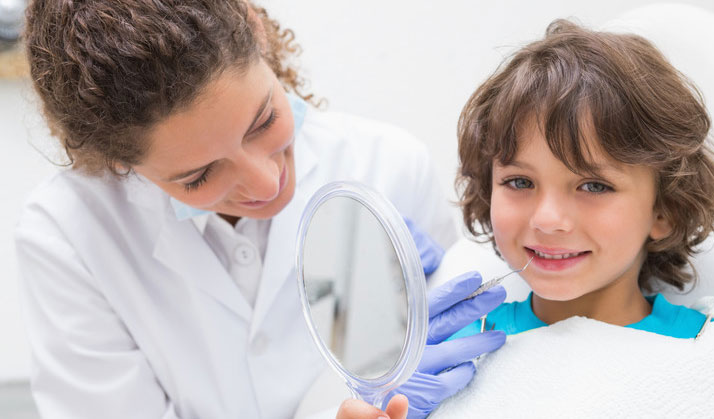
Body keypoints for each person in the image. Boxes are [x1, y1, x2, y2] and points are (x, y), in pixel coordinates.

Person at [17, 1, 506, 418]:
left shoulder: (387, 166)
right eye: (198, 176)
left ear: (258, 32)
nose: (267, 182)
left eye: (264, 121)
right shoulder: (67, 235)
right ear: (117, 160)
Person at [450, 19, 714, 415]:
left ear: (664, 209)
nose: (548, 220)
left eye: (594, 186)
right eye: (518, 182)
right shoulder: (440, 361)